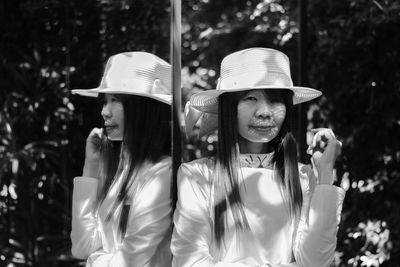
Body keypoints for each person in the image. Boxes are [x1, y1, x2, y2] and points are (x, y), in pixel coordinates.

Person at [171, 47, 346, 267]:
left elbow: (317, 262)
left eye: (275, 101)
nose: (264, 112)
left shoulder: (304, 176)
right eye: (250, 98)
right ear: (228, 108)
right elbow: (189, 261)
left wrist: (326, 173)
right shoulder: (198, 175)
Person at [70, 52, 173, 266]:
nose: (104, 112)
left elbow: (129, 261)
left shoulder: (163, 173)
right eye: (104, 101)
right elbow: (81, 247)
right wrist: (91, 165)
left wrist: (95, 260)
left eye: (115, 101)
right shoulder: (124, 170)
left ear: (144, 109)